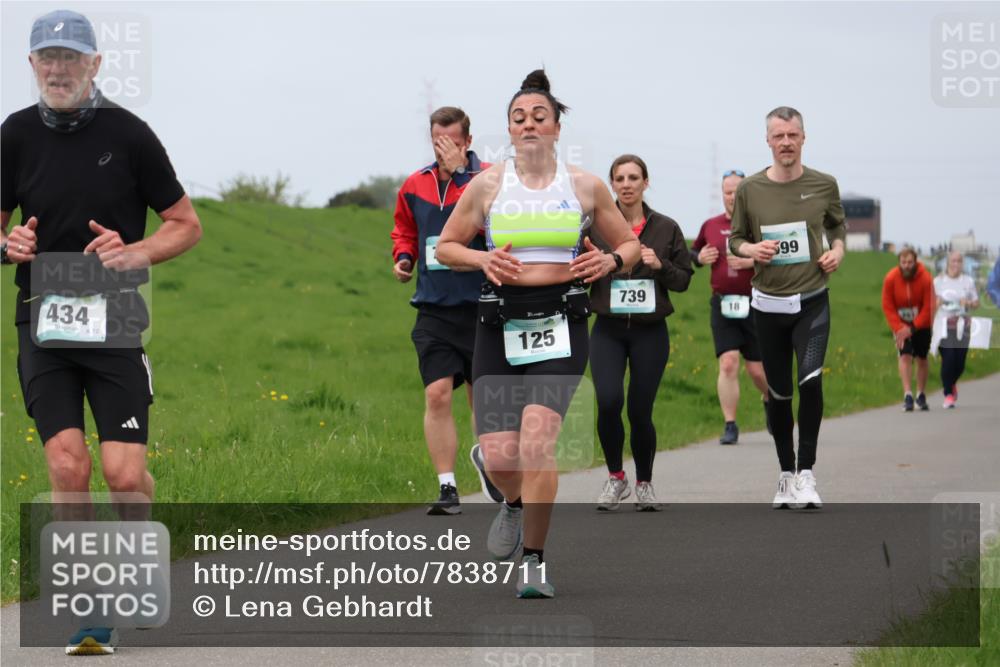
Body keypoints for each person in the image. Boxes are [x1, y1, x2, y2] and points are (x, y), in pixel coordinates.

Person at [1, 10, 201, 654]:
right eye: (46, 58)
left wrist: (136, 250)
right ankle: (90, 608)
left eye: (70, 57)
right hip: (43, 321)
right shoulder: (14, 135)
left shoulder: (132, 135)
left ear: (95, 64)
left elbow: (185, 224)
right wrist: (10, 245)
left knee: (121, 475)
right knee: (67, 462)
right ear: (32, 65)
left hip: (114, 319)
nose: (57, 69)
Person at [436, 70, 639, 597]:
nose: (528, 125)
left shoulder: (585, 185)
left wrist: (611, 260)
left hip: (562, 324)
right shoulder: (487, 185)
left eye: (539, 117)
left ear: (556, 126)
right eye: (518, 118)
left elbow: (630, 246)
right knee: (504, 457)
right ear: (509, 128)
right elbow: (447, 247)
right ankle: (513, 502)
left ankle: (534, 560)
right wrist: (482, 257)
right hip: (499, 324)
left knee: (537, 445)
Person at [729, 106, 846, 510]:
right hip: (767, 306)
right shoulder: (750, 190)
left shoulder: (824, 184)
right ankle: (785, 474)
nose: (785, 142)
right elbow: (736, 239)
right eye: (778, 136)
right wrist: (751, 249)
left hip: (812, 301)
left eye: (792, 135)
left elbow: (836, 225)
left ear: (803, 138)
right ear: (767, 140)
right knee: (778, 394)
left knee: (809, 382)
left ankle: (807, 473)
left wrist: (838, 251)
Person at [390, 106, 503, 514]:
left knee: (482, 399)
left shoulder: (489, 179)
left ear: (467, 142)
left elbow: (499, 219)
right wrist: (404, 256)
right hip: (435, 309)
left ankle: (492, 465)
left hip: (482, 306)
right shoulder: (414, 184)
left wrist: (461, 175)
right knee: (437, 394)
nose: (443, 149)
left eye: (451, 142)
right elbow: (405, 228)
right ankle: (447, 487)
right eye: (436, 141)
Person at [587, 155, 691, 511]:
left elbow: (683, 281)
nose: (627, 184)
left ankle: (644, 482)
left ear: (646, 183)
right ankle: (616, 478)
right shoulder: (595, 227)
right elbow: (577, 271)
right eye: (620, 178)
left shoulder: (666, 228)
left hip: (650, 332)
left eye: (634, 177)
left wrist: (660, 267)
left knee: (639, 410)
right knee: (608, 401)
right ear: (611, 184)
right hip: (608, 330)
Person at [691, 169, 769, 444]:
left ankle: (769, 399)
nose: (732, 197)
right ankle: (730, 424)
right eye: (727, 191)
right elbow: (693, 252)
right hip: (723, 303)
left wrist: (751, 262)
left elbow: (777, 256)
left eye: (737, 191)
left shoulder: (758, 225)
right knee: (728, 363)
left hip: (756, 302)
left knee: (757, 370)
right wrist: (700, 257)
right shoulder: (710, 225)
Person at [881, 247, 935, 411]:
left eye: (910, 262)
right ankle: (908, 395)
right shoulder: (891, 278)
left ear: (915, 261)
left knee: (921, 358)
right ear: (899, 263)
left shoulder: (925, 278)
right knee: (904, 355)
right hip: (901, 324)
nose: (907, 265)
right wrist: (898, 328)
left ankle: (921, 394)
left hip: (921, 324)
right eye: (903, 262)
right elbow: (887, 306)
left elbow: (929, 307)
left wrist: (912, 328)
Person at [933, 251, 980, 408]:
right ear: (947, 262)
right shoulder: (938, 281)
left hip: (963, 326)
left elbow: (976, 303)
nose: (956, 264)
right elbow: (929, 302)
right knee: (949, 359)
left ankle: (951, 383)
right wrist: (937, 302)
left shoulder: (968, 281)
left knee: (959, 363)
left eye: (959, 261)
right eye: (953, 261)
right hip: (943, 326)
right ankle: (948, 394)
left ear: (962, 264)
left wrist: (967, 302)